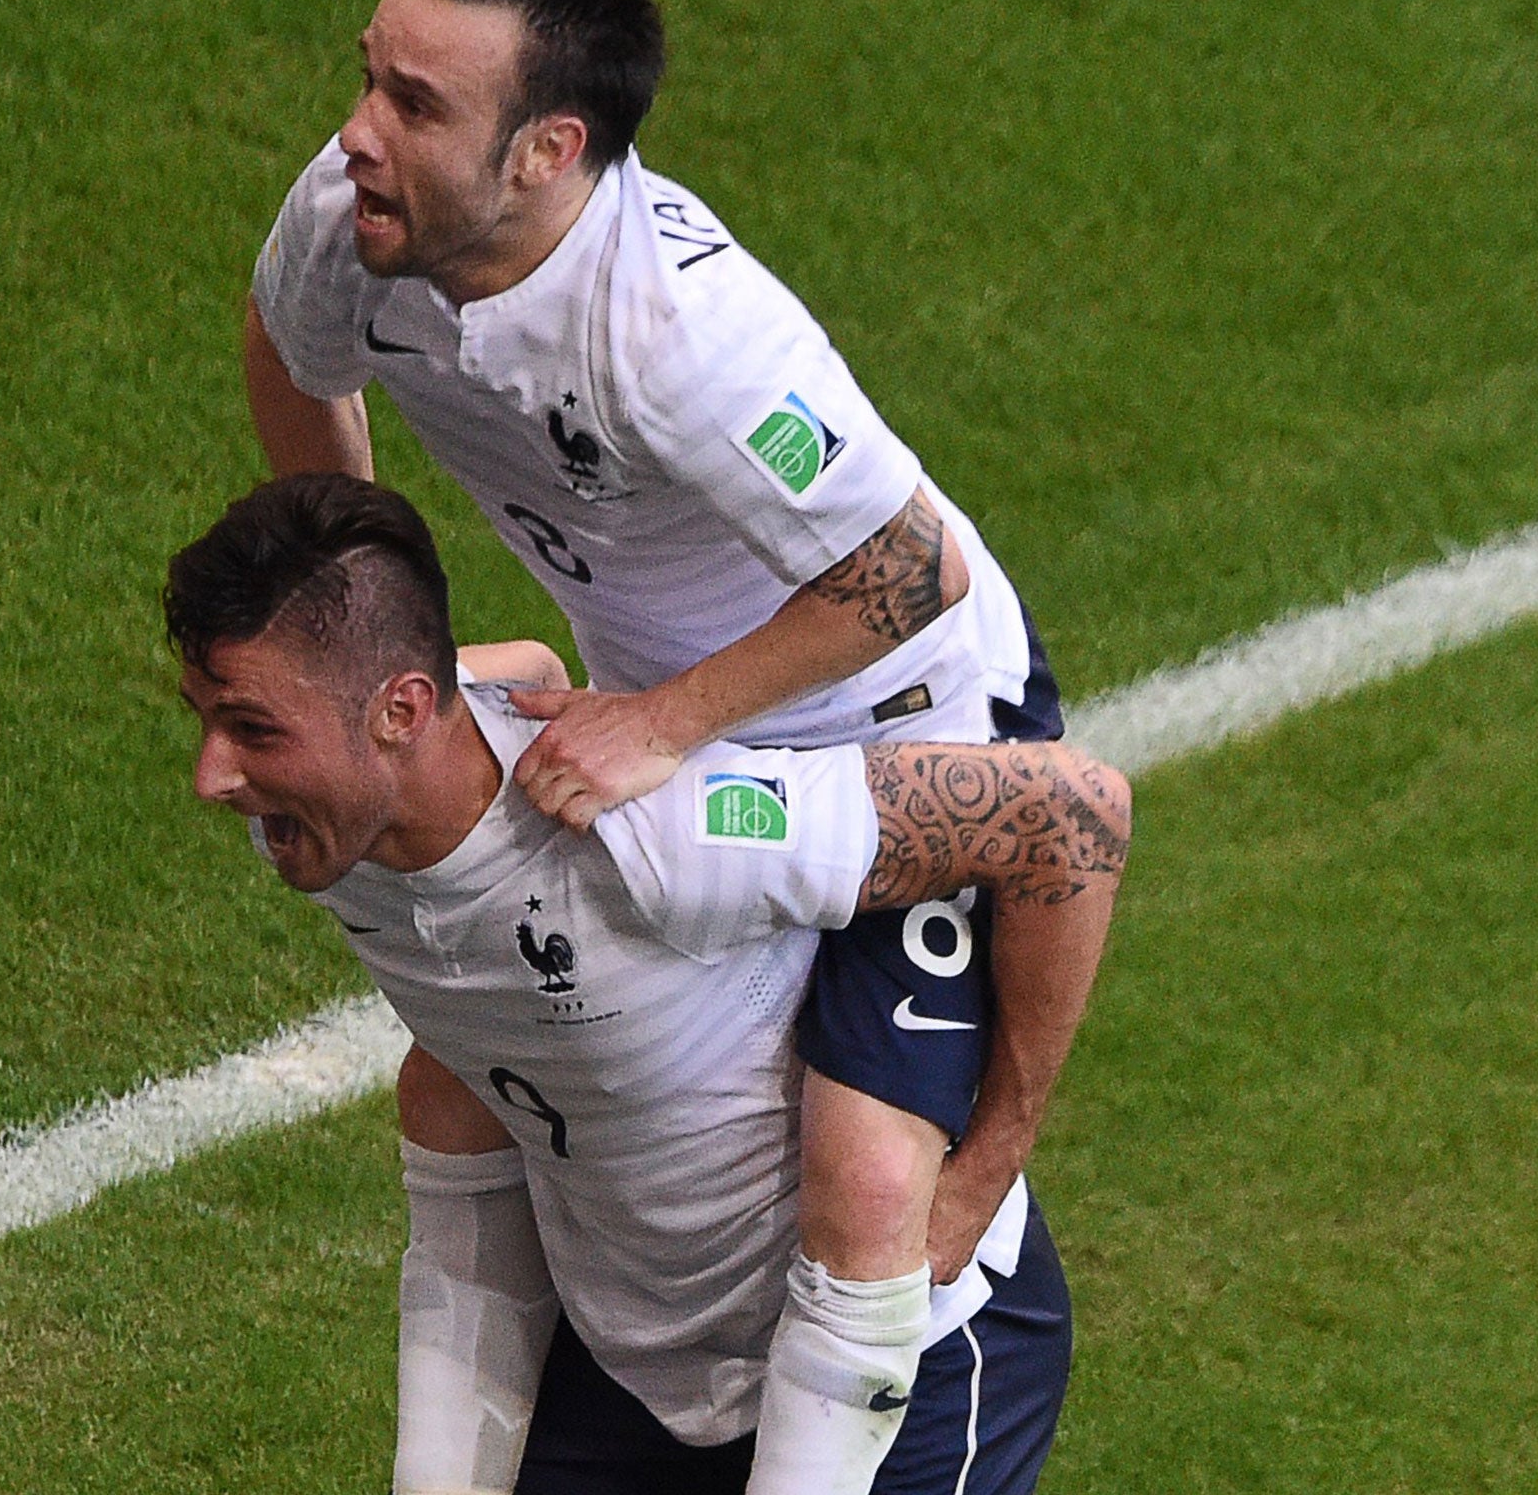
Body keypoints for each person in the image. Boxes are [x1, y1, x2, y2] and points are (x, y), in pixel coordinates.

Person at [242, 0, 1069, 1309]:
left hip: (896, 716)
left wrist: (668, 719)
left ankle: (982, 1237)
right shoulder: (356, 215)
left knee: (861, 1182)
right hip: (666, 714)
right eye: (367, 76)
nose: (355, 134)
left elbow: (915, 569)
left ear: (547, 151)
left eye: (414, 104)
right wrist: (364, 614)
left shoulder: (685, 338)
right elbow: (288, 347)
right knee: (560, 1095)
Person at [164, 476, 1129, 1493]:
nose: (211, 776)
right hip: (639, 1361)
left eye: (253, 731)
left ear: (401, 712)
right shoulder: (340, 822)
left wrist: (989, 1162)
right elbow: (513, 670)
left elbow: (1066, 813)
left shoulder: (663, 838)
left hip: (898, 1364)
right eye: (204, 721)